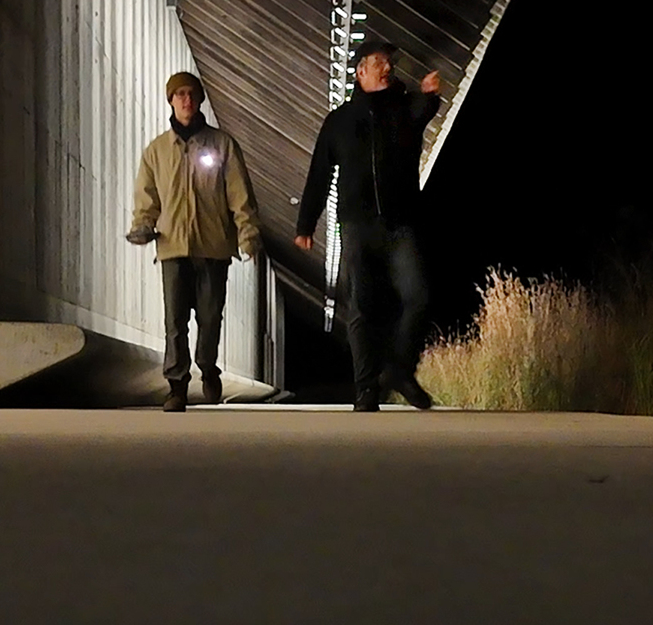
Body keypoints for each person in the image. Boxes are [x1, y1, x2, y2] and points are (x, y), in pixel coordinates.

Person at [295, 40, 441, 411]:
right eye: (378, 62)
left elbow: (422, 114)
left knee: (418, 296)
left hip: (401, 222)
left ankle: (399, 371)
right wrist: (305, 224)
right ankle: (365, 389)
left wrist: (429, 97)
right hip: (357, 224)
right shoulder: (341, 121)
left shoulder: (404, 109)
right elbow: (320, 172)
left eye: (388, 62)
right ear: (360, 72)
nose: (386, 67)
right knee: (361, 306)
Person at [128, 71, 263, 412]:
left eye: (192, 94)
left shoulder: (222, 145)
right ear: (171, 100)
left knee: (209, 317)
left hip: (213, 247)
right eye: (180, 94)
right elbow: (147, 198)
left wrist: (248, 235)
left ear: (200, 99)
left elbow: (239, 196)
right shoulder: (157, 151)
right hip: (173, 248)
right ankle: (176, 387)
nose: (186, 100)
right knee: (175, 321)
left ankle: (208, 366)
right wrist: (142, 226)